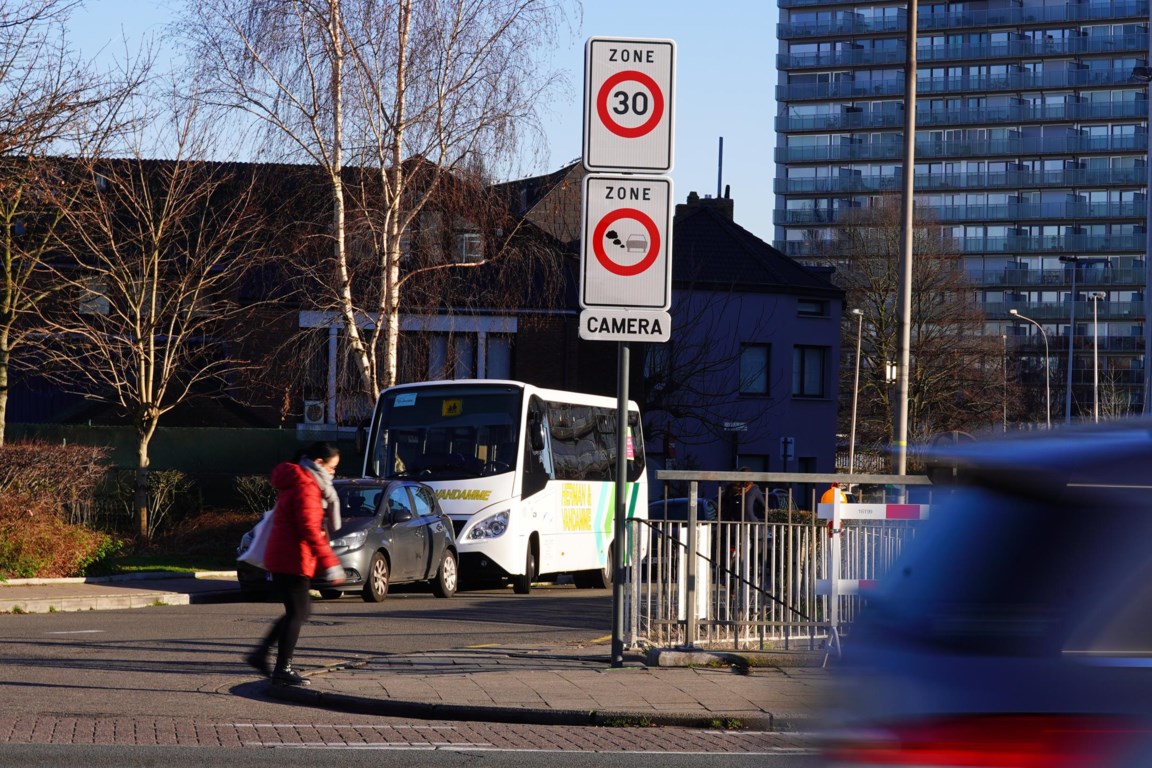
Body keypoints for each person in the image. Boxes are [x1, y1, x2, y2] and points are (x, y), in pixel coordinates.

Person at [245, 441, 345, 686]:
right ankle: (282, 668)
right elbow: (310, 529)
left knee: (297, 611)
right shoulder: (307, 486)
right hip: (293, 558)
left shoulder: (301, 480)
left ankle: (262, 654)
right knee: (298, 612)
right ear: (318, 463)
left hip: (287, 556)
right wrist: (331, 563)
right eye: (332, 468)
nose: (333, 473)